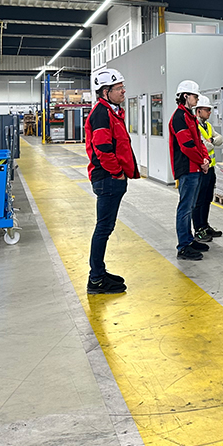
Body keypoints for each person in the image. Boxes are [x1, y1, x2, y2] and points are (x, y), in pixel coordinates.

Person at [85, 68, 139, 294]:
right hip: (107, 179)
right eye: (119, 88)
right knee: (103, 228)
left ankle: (99, 271)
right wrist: (117, 172)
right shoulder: (101, 113)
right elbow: (103, 149)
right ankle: (96, 279)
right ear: (105, 91)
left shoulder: (112, 112)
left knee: (105, 227)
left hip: (112, 179)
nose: (123, 91)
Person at [168, 80, 212, 261]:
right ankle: (183, 246)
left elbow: (199, 142)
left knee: (191, 205)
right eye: (195, 96)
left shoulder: (190, 116)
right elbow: (186, 145)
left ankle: (189, 239)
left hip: (195, 167)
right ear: (185, 96)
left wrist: (206, 158)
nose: (197, 99)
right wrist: (201, 161)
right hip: (187, 169)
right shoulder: (179, 117)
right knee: (185, 207)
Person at [192, 98, 223, 244]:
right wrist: (209, 143)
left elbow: (220, 139)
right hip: (200, 168)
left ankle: (205, 225)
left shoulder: (208, 126)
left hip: (210, 168)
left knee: (207, 199)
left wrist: (209, 141)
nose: (210, 112)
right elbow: (203, 146)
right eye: (207, 110)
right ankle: (198, 229)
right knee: (199, 200)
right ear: (199, 111)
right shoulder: (194, 126)